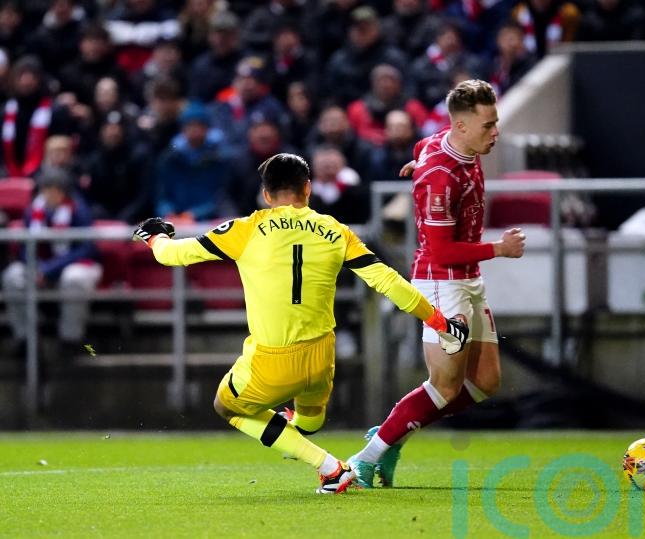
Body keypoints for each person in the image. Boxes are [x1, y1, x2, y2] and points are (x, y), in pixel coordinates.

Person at [132, 152, 468, 494]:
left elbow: (171, 255)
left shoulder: (245, 229)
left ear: (266, 194)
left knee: (226, 406)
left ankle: (331, 469)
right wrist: (440, 323)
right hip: (322, 358)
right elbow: (387, 281)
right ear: (308, 188)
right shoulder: (336, 231)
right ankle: (295, 433)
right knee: (308, 422)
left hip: (272, 361)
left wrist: (153, 236)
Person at [348, 79, 526, 488]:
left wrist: (415, 163)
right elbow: (444, 252)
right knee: (445, 385)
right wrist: (498, 249)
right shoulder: (441, 178)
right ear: (461, 127)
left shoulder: (446, 143)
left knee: (485, 382)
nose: (495, 132)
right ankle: (366, 457)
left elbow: (420, 147)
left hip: (468, 281)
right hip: (441, 285)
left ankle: (391, 436)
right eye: (488, 125)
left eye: (495, 122)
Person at [2, 167, 101, 356]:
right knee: (12, 276)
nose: (50, 194)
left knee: (74, 278)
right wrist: (36, 267)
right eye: (46, 189)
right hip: (39, 266)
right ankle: (25, 339)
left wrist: (50, 269)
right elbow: (24, 247)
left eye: (55, 189)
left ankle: (70, 338)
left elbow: (86, 248)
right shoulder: (33, 211)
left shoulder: (79, 210)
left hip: (73, 265)